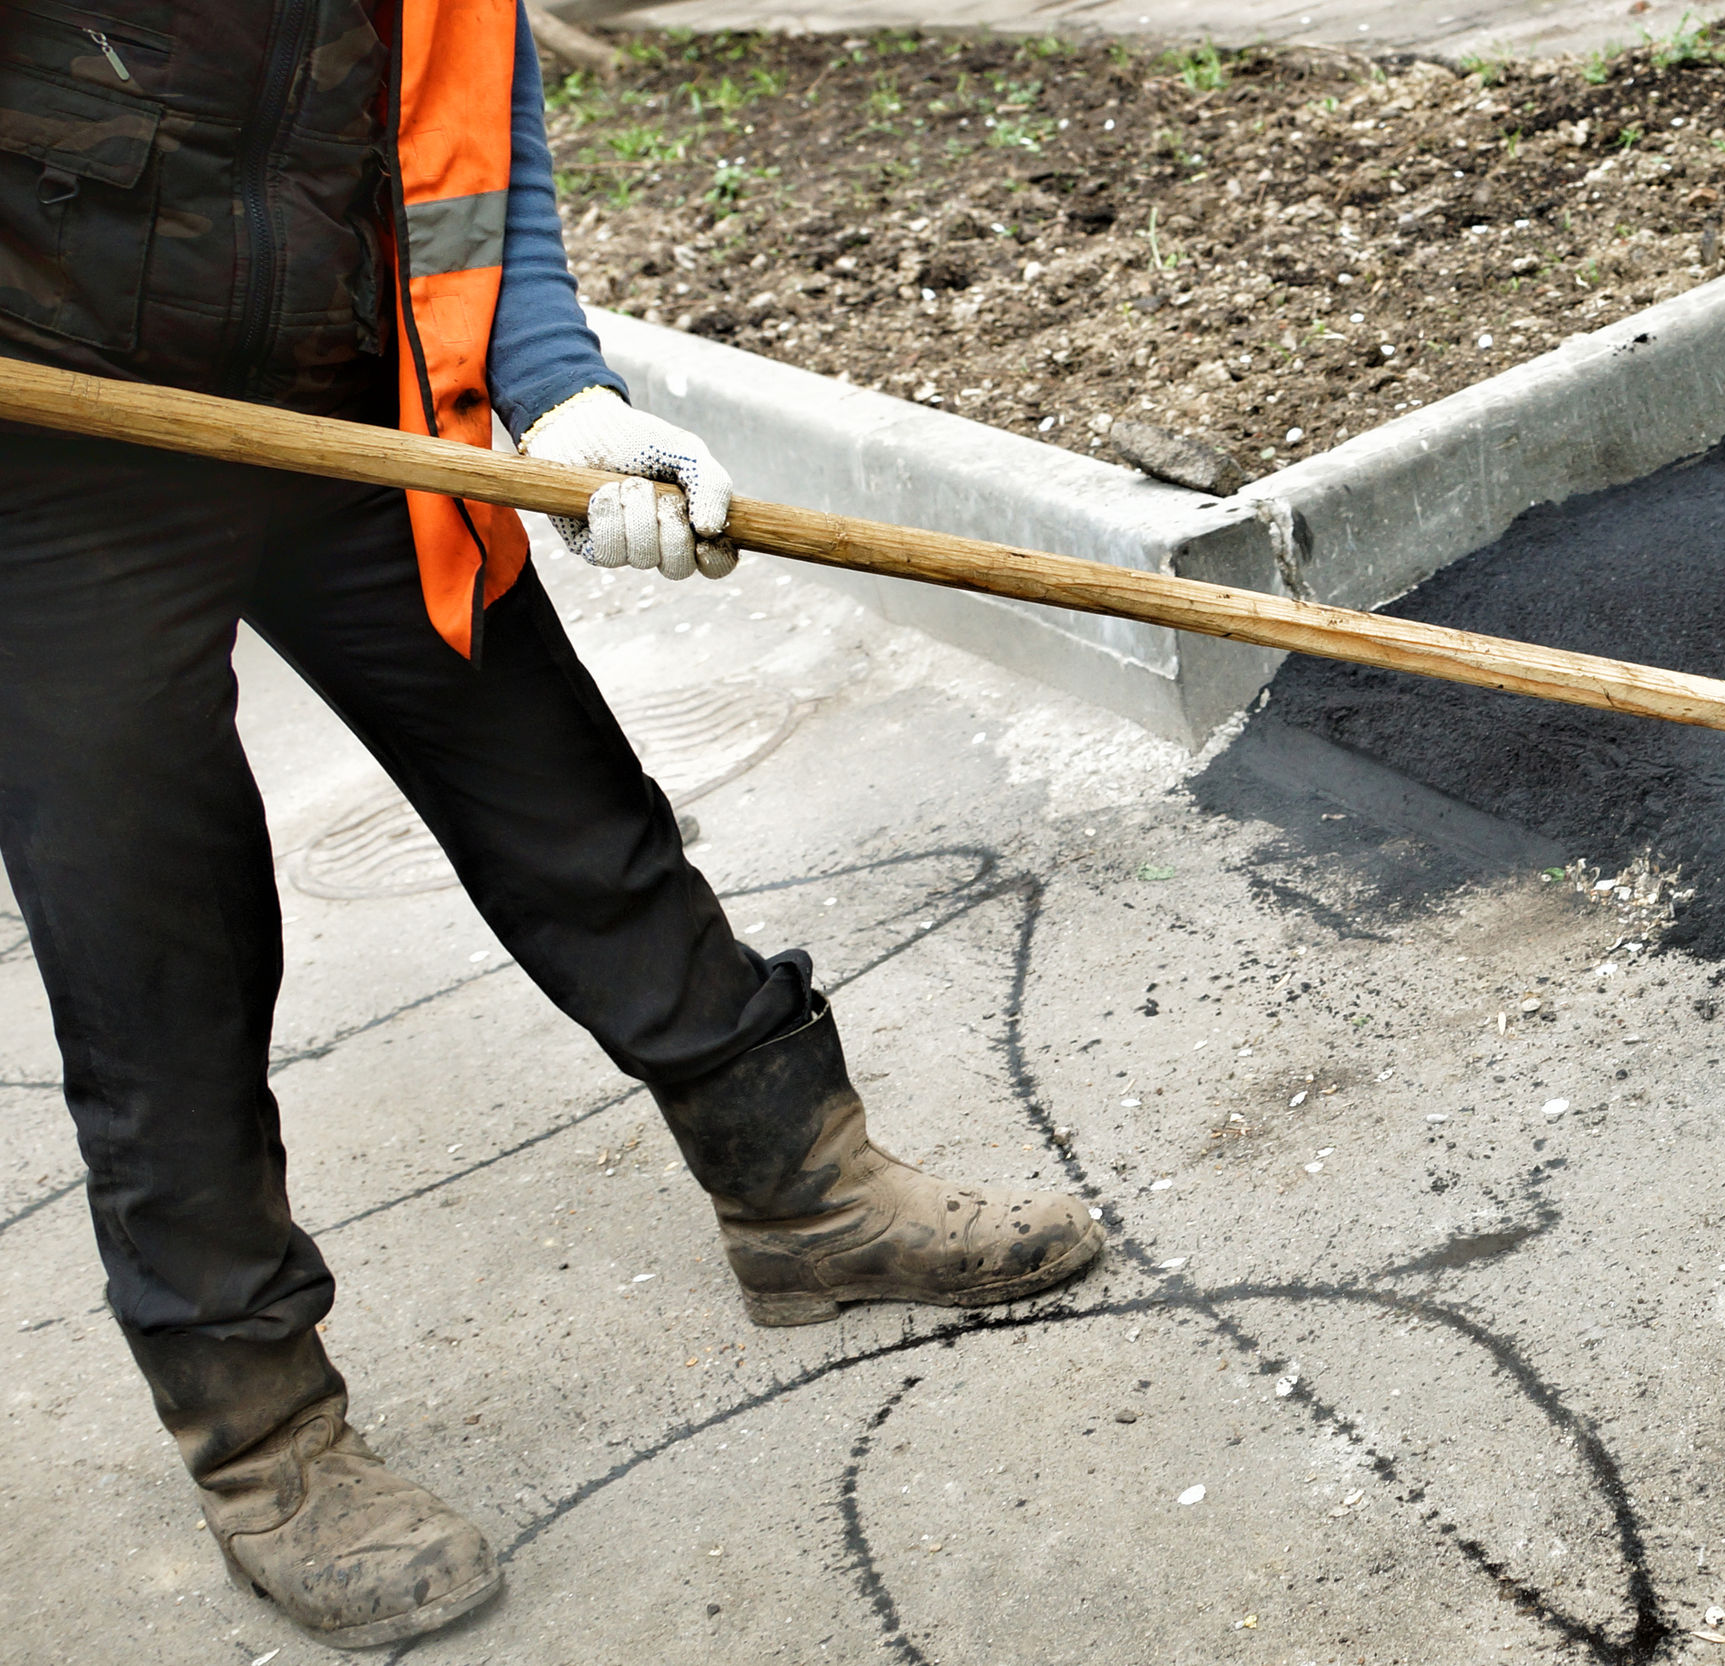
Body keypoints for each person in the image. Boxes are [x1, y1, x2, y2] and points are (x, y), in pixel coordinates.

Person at [0, 1, 1103, 1647]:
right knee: (157, 954)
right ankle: (265, 1437)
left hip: (346, 403)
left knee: (569, 807)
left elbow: (464, 151)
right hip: (54, 472)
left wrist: (558, 391)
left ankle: (804, 1194)